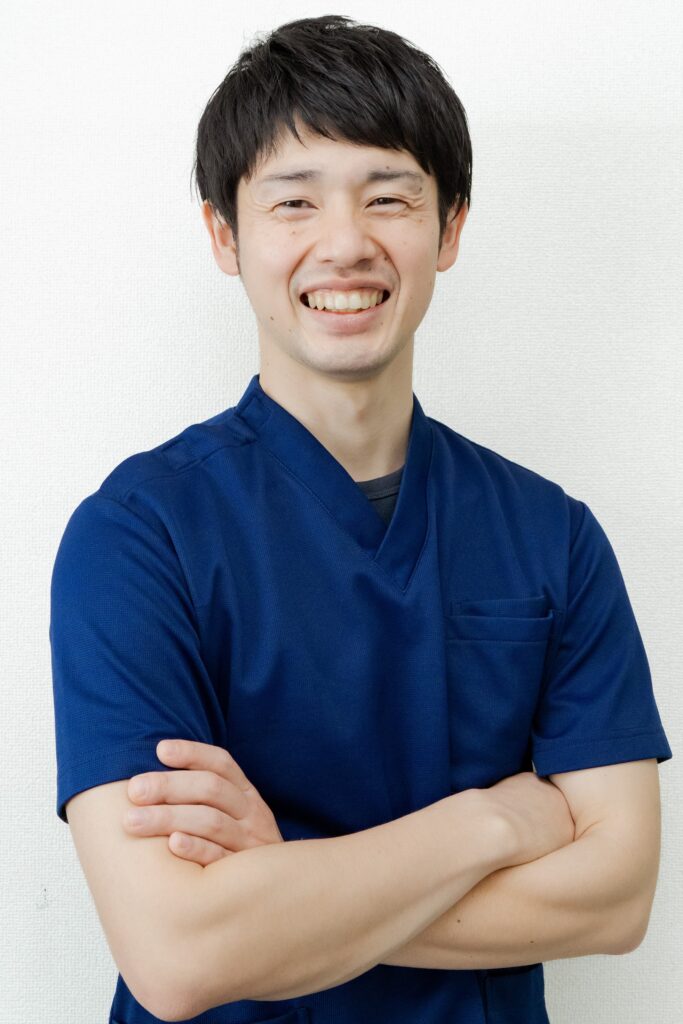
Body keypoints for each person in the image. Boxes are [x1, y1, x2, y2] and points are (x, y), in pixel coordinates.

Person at [50, 14, 673, 1024]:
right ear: (225, 234)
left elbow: (615, 898)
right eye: (293, 201)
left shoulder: (551, 535)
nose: (343, 244)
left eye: (388, 197)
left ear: (449, 227)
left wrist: (280, 885)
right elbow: (176, 952)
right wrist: (490, 821)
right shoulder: (136, 537)